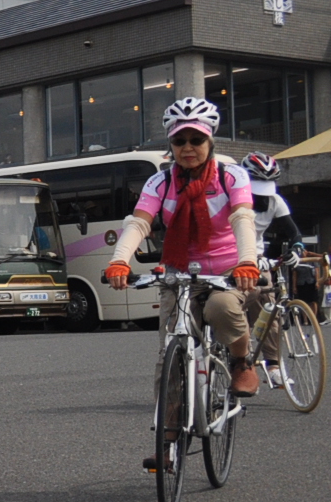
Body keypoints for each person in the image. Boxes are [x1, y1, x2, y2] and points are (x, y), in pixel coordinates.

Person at [103, 98, 259, 394]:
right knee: (170, 346)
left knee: (221, 307)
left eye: (196, 139)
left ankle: (241, 362)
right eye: (179, 140)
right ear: (171, 145)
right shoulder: (159, 183)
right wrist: (119, 260)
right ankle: (171, 423)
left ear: (210, 141)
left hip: (228, 270)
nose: (188, 147)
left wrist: (247, 260)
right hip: (180, 272)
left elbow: (242, 218)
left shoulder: (231, 176)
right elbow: (138, 223)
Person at [244, 151, 304, 386]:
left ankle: (273, 365)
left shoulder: (275, 201)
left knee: (270, 308)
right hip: (232, 254)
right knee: (239, 302)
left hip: (259, 257)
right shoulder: (232, 197)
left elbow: (294, 232)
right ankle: (237, 353)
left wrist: (297, 249)